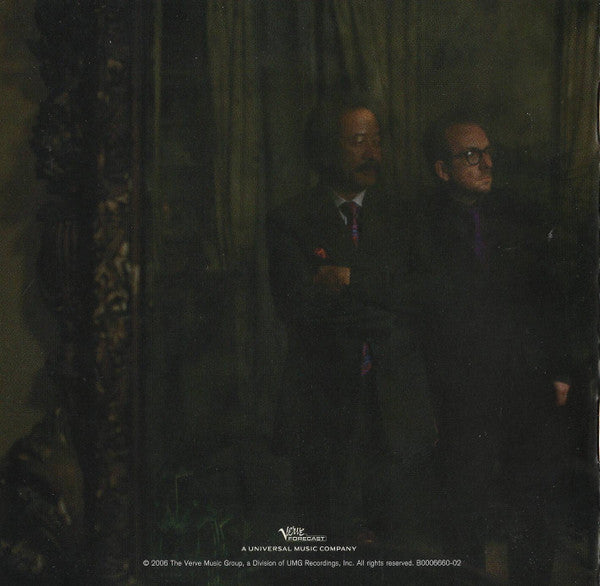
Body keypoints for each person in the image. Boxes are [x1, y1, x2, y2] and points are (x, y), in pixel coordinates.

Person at [266, 93, 436, 544]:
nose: (371, 152)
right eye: (358, 141)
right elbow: (296, 306)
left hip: (397, 401)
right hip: (323, 401)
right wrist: (383, 302)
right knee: (330, 541)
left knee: (399, 540)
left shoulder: (405, 216)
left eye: (376, 141)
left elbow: (421, 297)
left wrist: (349, 279)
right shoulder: (290, 220)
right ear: (326, 148)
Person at [420, 111, 572, 583]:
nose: (486, 164)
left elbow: (553, 297)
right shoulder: (421, 227)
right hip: (462, 392)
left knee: (533, 505)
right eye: (471, 156)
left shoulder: (521, 215)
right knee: (463, 510)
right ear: (443, 170)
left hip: (526, 385)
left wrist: (561, 370)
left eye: (488, 153)